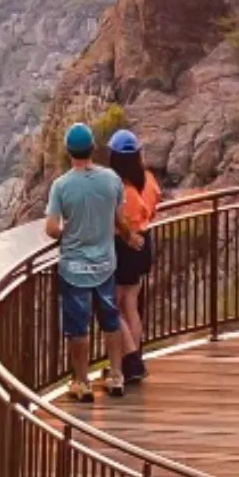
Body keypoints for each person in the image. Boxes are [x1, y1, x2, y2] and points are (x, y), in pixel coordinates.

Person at [44, 121, 125, 401]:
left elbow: (52, 228)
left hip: (74, 268)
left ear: (69, 152)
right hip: (106, 264)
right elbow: (118, 218)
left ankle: (81, 381)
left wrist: (69, 230)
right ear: (93, 148)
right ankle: (116, 375)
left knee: (78, 327)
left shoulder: (61, 186)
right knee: (111, 320)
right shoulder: (111, 179)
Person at [107, 126, 162, 384]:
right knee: (131, 303)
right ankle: (133, 361)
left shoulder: (119, 188)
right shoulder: (147, 180)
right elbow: (153, 207)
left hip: (124, 246)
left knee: (111, 306)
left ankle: (130, 359)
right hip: (144, 243)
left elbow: (115, 221)